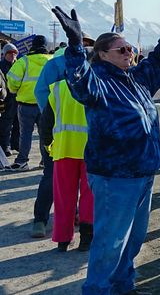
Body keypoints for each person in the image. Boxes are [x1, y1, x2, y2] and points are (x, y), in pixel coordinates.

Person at [52, 1, 160, 295]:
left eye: (130, 48)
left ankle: (123, 285)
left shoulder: (134, 79)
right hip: (115, 174)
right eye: (122, 50)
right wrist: (74, 47)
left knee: (132, 239)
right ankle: (98, 290)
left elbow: (159, 63)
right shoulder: (98, 81)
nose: (129, 52)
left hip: (143, 171)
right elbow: (79, 81)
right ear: (103, 55)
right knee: (111, 241)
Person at [29, 33, 95, 238]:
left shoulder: (87, 63)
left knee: (73, 183)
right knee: (53, 178)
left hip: (75, 136)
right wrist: (52, 117)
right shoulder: (58, 64)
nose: (85, 47)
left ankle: (72, 219)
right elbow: (42, 93)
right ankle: (41, 220)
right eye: (85, 43)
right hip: (61, 134)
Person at [40, 77, 94, 252]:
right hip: (91, 150)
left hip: (63, 149)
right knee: (89, 196)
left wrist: (48, 146)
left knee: (63, 196)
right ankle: (86, 238)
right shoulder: (96, 84)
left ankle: (62, 240)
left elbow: (46, 122)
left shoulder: (57, 88)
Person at [7, 35, 52, 171]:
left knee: (25, 134)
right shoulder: (52, 61)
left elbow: (12, 81)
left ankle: (22, 161)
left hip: (26, 105)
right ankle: (46, 160)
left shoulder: (24, 61)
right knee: (47, 134)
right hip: (47, 105)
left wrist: (15, 90)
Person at [0, 43, 20, 157]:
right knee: (6, 125)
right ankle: (5, 146)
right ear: (4, 54)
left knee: (18, 124)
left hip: (19, 99)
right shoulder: (1, 66)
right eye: (10, 53)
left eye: (14, 53)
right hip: (6, 100)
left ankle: (15, 144)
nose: (12, 55)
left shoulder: (19, 65)